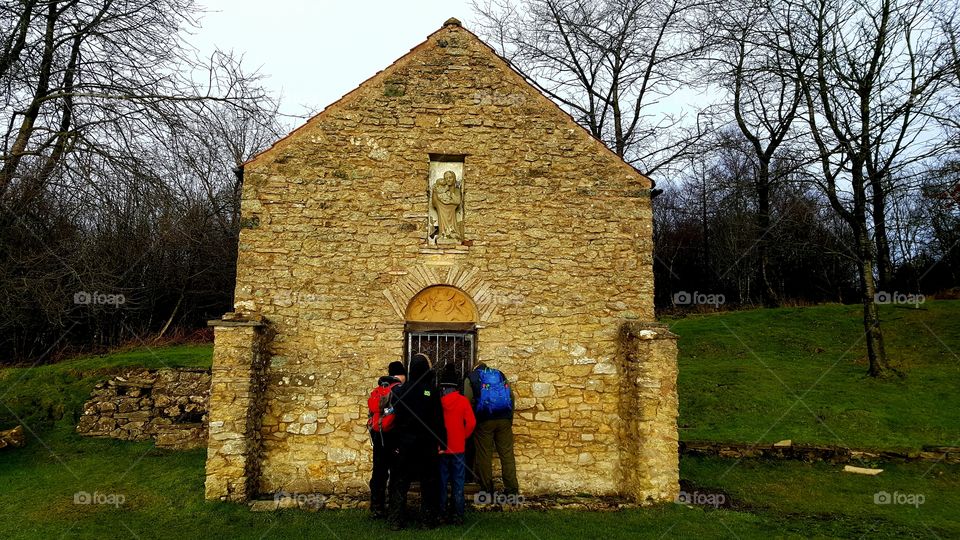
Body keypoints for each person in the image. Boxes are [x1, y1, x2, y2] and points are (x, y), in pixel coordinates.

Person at [387, 354, 447, 530]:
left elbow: (395, 421)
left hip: (405, 443)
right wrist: (442, 442)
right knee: (428, 481)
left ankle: (396, 520)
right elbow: (438, 420)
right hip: (426, 443)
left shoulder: (399, 391)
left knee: (400, 481)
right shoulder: (431, 391)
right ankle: (427, 520)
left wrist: (395, 444)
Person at [465, 362, 519, 498]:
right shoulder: (499, 374)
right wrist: (509, 418)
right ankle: (512, 489)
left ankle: (487, 490)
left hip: (484, 420)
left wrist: (473, 419)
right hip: (504, 419)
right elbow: (511, 397)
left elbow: (467, 400)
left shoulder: (471, 377)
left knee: (484, 455)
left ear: (475, 368)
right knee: (507, 454)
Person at [367, 361, 405, 518]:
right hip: (393, 436)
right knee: (396, 473)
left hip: (378, 435)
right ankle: (394, 510)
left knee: (379, 472)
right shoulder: (399, 391)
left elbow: (371, 412)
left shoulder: (378, 390)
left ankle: (377, 508)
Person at [438, 366, 476, 525]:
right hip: (459, 447)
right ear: (456, 386)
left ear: (443, 387)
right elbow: (472, 423)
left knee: (441, 481)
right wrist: (463, 436)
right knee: (458, 481)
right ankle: (458, 515)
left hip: (442, 448)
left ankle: (441, 512)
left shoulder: (439, 402)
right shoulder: (463, 401)